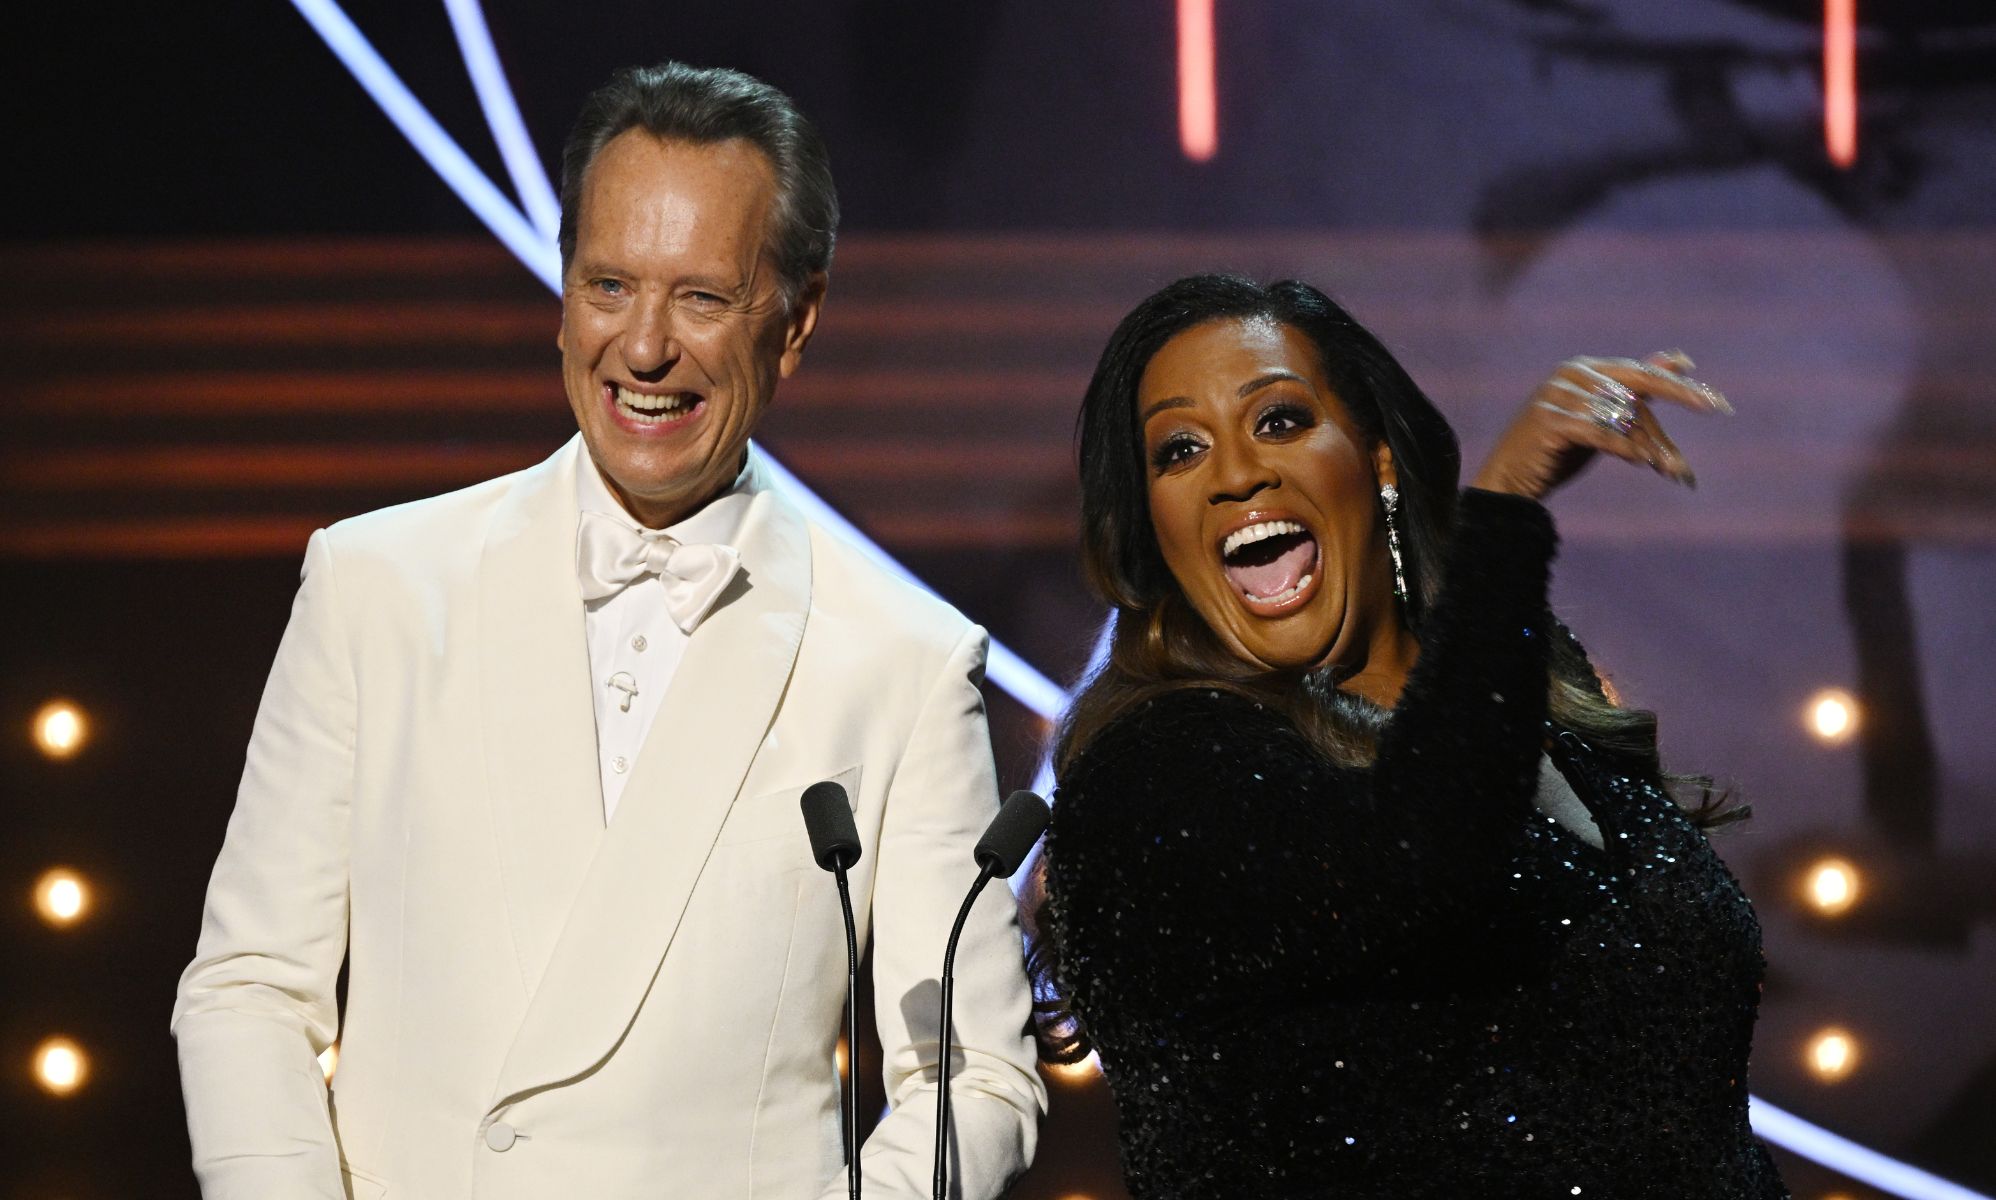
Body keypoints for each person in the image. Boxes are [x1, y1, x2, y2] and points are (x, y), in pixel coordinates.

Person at [172, 62, 1044, 1199]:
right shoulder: (376, 586)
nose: (642, 348)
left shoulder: (903, 659)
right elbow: (250, 988)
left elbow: (970, 1076)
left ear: (795, 322)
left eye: (702, 298)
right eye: (608, 285)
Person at [1034, 274, 1786, 1198]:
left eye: (1279, 421)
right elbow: (1420, 869)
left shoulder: (1524, 690)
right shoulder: (1152, 772)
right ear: (1155, 525)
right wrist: (1504, 508)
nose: (1236, 476)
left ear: (1380, 460)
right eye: (1180, 450)